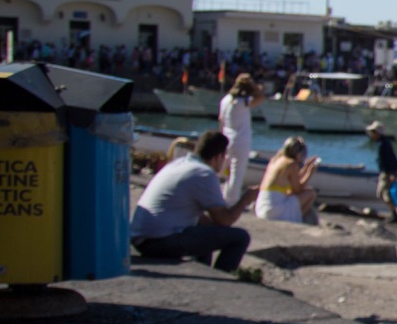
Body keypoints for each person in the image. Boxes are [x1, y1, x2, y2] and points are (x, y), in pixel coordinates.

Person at [131, 128, 258, 269]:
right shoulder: (204, 173)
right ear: (218, 157)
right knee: (240, 238)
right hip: (159, 241)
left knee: (208, 233)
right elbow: (225, 220)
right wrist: (246, 199)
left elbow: (202, 219)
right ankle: (223, 280)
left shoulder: (178, 164)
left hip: (140, 238)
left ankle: (203, 269)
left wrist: (217, 230)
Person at [255, 135, 322, 223]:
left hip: (261, 208)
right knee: (311, 193)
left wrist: (305, 168)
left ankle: (294, 217)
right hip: (273, 210)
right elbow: (298, 189)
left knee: (292, 193)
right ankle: (298, 219)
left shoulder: (276, 160)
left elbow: (293, 180)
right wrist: (310, 173)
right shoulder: (291, 164)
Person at [218, 73, 260, 201]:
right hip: (241, 141)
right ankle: (231, 200)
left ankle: (214, 194)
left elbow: (220, 119)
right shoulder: (244, 102)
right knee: (236, 174)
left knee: (219, 170)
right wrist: (252, 84)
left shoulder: (225, 100)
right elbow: (261, 96)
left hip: (226, 138)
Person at [365, 122, 397, 223]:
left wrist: (392, 173)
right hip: (385, 172)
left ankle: (394, 214)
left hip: (387, 173)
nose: (371, 134)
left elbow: (390, 159)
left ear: (377, 132)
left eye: (372, 132)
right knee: (383, 194)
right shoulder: (381, 143)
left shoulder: (384, 144)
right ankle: (394, 213)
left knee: (384, 194)